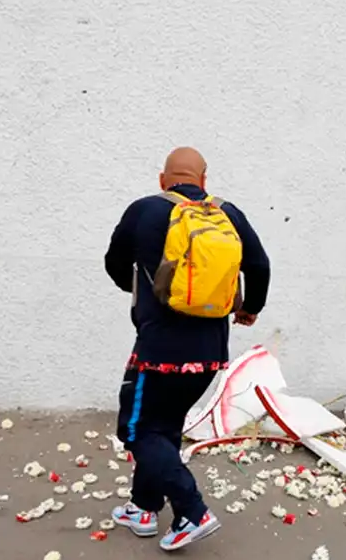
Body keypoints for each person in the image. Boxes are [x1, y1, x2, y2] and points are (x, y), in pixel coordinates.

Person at [102, 146, 271, 551]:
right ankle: (143, 508)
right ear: (204, 180)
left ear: (163, 180)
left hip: (158, 351)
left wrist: (142, 288)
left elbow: (113, 262)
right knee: (164, 428)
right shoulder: (228, 213)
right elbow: (260, 265)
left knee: (140, 430)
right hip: (210, 353)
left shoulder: (144, 210)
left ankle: (192, 511)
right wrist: (249, 309)